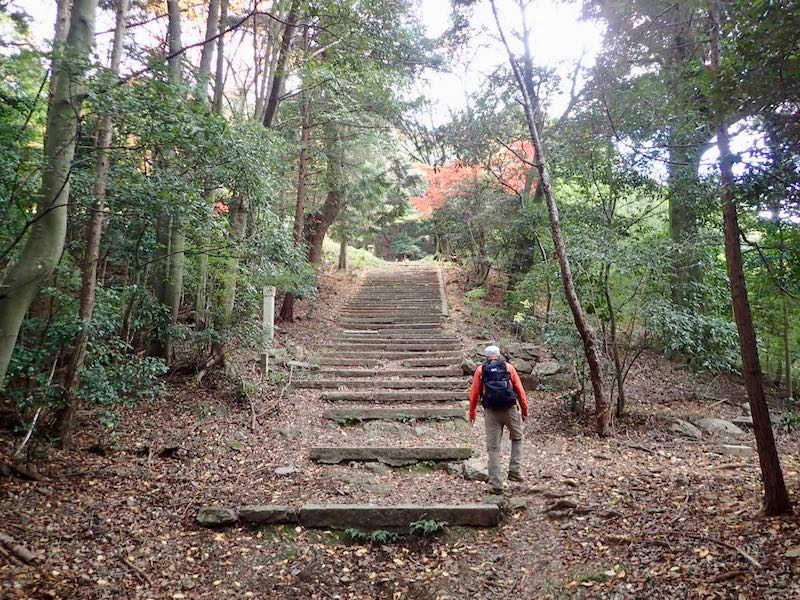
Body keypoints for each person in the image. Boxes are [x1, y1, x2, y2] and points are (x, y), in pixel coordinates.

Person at [468, 345, 528, 494]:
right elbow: (520, 390)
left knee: (493, 448)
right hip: (510, 409)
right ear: (499, 355)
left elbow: (474, 393)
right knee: (517, 438)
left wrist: (472, 413)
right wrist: (525, 410)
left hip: (490, 412)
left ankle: (496, 485)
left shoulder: (480, 370)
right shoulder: (508, 367)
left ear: (486, 357)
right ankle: (514, 470)